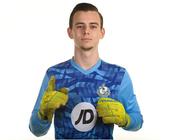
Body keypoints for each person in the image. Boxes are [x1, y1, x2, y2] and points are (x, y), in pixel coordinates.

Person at [29, 2, 143, 139]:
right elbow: (36, 130)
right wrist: (43, 113)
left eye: (93, 26)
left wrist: (125, 119)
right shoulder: (54, 75)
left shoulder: (119, 75)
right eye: (80, 26)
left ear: (102, 32)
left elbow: (138, 121)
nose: (86, 31)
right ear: (70, 32)